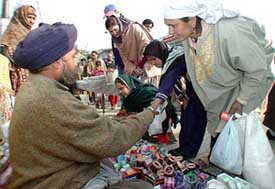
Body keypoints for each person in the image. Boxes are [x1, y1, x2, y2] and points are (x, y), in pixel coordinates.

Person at [8, 22, 155, 189]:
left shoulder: (32, 86)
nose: (75, 64)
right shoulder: (52, 99)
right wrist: (149, 112)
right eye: (72, 57)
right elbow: (114, 139)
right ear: (56, 63)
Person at [163, 0, 275, 148]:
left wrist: (242, 99)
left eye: (173, 25)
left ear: (192, 20)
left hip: (243, 85)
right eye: (168, 26)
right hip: (218, 91)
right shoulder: (188, 34)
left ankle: (228, 164)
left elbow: (256, 69)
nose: (170, 31)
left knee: (231, 133)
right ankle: (216, 157)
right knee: (218, 128)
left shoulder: (230, 31)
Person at [144, 40, 207, 158]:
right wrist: (184, 96)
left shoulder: (175, 59)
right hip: (193, 88)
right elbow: (176, 80)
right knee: (187, 119)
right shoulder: (172, 57)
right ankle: (184, 148)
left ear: (160, 53)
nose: (153, 63)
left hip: (202, 89)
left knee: (195, 120)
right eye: (149, 60)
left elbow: (167, 84)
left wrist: (152, 107)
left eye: (153, 59)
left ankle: (189, 151)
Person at [115, 74, 178, 143]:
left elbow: (159, 107)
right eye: (118, 89)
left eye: (121, 88)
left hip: (160, 116)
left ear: (128, 85)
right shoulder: (129, 98)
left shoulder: (145, 92)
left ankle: (160, 136)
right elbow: (124, 111)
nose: (120, 92)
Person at [1, 5, 36, 95]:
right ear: (22, 16)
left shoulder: (29, 34)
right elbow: (10, 53)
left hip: (28, 73)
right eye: (29, 17)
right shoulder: (13, 31)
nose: (31, 21)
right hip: (16, 72)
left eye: (33, 18)